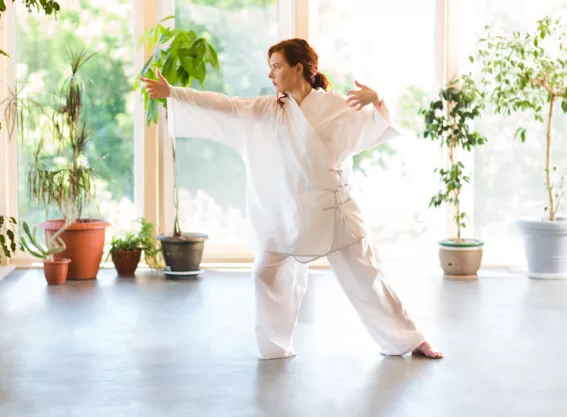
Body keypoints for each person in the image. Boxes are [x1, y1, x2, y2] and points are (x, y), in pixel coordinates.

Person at [141, 38, 443, 360]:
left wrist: (377, 99)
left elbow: (378, 124)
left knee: (367, 277)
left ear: (298, 69)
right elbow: (226, 105)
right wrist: (173, 92)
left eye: (276, 66)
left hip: (336, 212)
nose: (271, 75)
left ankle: (412, 340)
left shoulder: (336, 106)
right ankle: (275, 348)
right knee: (265, 274)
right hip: (289, 214)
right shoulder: (271, 110)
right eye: (270, 67)